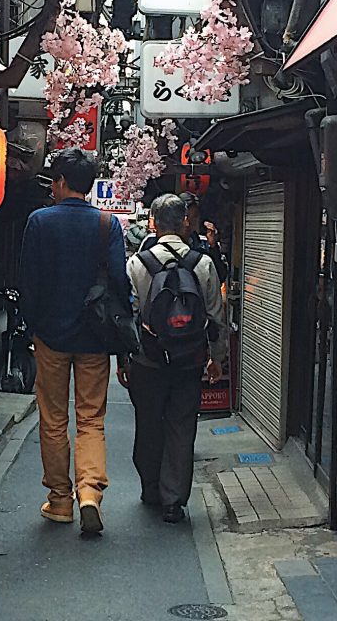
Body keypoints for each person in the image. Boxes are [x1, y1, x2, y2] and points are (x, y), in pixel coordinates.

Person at [18, 147, 129, 535]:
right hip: (94, 336)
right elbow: (119, 278)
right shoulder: (106, 224)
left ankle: (61, 500)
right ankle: (89, 493)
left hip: (51, 333)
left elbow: (28, 280)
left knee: (52, 418)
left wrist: (34, 324)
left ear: (61, 182)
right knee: (91, 419)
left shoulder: (40, 221)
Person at [120, 193, 228, 524]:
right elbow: (215, 315)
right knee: (181, 426)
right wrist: (217, 358)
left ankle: (151, 487)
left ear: (152, 222)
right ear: (184, 222)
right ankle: (174, 499)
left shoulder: (137, 264)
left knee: (149, 422)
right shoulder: (203, 263)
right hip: (189, 359)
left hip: (148, 359)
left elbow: (129, 316)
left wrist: (123, 360)